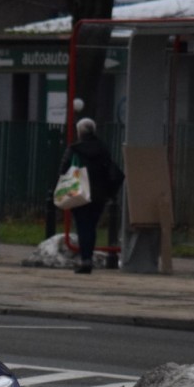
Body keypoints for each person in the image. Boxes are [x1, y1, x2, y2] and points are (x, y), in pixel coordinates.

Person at [58, 117, 124, 274]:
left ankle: (85, 259)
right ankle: (88, 258)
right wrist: (109, 193)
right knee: (91, 227)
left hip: (78, 192)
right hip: (99, 195)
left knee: (82, 226)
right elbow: (111, 171)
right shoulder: (103, 149)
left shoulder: (74, 149)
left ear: (79, 132)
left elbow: (63, 170)